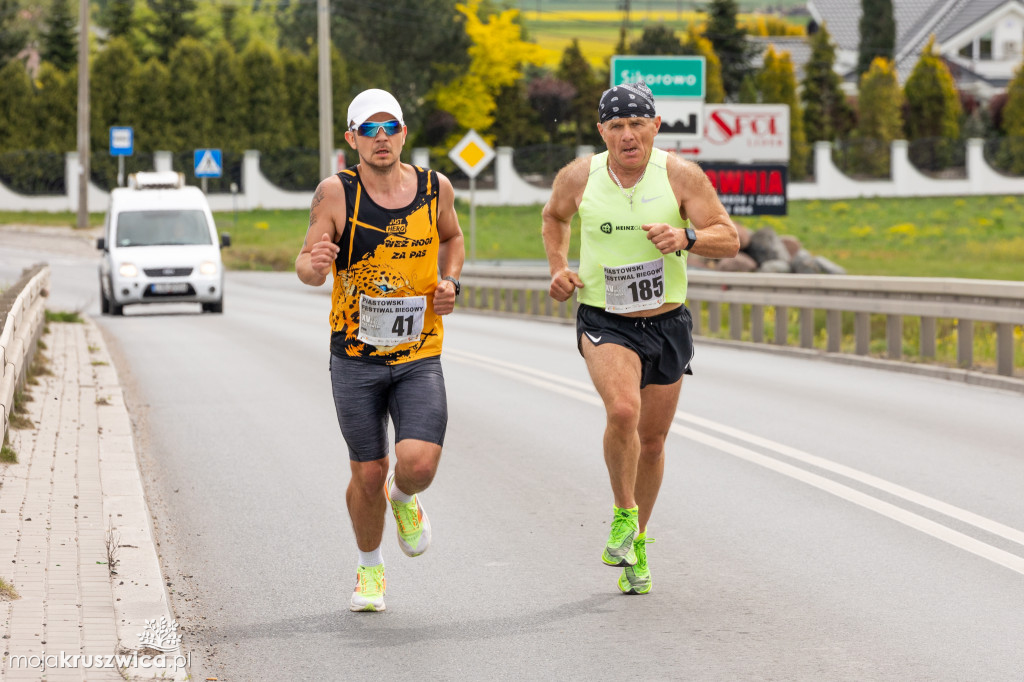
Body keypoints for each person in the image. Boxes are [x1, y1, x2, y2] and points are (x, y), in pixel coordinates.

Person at [541, 81, 739, 595]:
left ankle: (639, 543)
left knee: (651, 442)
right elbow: (554, 217)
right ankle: (623, 514)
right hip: (605, 319)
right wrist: (559, 268)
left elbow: (729, 237)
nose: (628, 136)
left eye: (637, 124)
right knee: (623, 411)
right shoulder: (579, 177)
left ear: (655, 125)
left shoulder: (680, 176)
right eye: (616, 126)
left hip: (667, 324)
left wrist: (686, 237)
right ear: (601, 131)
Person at [296, 88, 465, 612]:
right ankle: (370, 570)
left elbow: (453, 240)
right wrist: (317, 265)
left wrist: (451, 282)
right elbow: (304, 264)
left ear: (404, 133)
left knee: (418, 464)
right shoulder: (336, 193)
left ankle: (405, 497)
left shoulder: (436, 188)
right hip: (354, 356)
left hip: (418, 351)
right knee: (367, 471)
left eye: (389, 126)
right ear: (352, 140)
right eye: (368, 129)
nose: (381, 137)